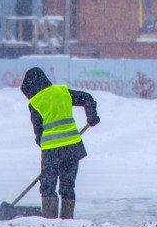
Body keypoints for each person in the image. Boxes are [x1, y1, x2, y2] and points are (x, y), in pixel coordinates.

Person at [20, 67, 99, 219]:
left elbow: (39, 131)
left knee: (48, 186)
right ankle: (67, 221)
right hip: (73, 147)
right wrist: (92, 116)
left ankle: (49, 222)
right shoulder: (62, 92)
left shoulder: (35, 102)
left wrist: (44, 145)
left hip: (52, 151)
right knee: (68, 185)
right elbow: (87, 98)